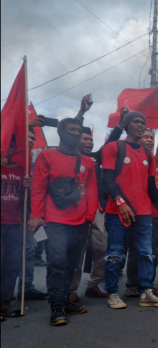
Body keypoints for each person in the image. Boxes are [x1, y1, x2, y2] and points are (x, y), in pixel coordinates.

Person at [28, 118, 99, 326]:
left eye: (78, 130)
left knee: (72, 264)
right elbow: (38, 187)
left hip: (80, 221)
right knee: (57, 263)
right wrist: (36, 214)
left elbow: (93, 189)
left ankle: (66, 301)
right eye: (72, 130)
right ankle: (57, 307)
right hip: (55, 220)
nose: (76, 133)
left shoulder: (87, 161)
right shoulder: (46, 156)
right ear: (61, 133)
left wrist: (90, 215)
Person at [101, 111, 158, 309]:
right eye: (136, 122)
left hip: (144, 213)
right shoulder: (114, 147)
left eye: (143, 122)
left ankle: (146, 292)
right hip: (118, 212)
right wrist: (120, 202)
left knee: (146, 253)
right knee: (115, 252)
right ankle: (112, 293)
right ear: (126, 125)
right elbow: (107, 179)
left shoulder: (148, 153)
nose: (140, 125)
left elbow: (151, 184)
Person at [124, 129, 158, 296]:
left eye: (152, 137)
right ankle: (132, 284)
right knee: (136, 250)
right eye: (146, 137)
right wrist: (157, 156)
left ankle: (148, 284)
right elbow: (145, 178)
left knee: (156, 251)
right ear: (138, 138)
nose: (150, 140)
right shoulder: (136, 159)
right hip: (140, 212)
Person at [68, 126, 109, 301]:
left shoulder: (95, 158)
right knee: (78, 250)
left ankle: (93, 285)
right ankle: (71, 289)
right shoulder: (69, 157)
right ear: (75, 140)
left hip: (97, 207)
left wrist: (121, 123)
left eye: (91, 140)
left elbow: (111, 141)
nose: (89, 142)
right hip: (76, 208)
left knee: (101, 247)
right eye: (85, 139)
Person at [1, 136, 33, 320]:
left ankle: (5, 302)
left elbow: (25, 200)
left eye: (12, 145)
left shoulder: (22, 170)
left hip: (14, 222)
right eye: (5, 145)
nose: (8, 149)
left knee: (11, 264)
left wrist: (29, 187)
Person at [17, 128, 49, 301]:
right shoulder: (7, 160)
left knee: (30, 249)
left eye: (33, 137)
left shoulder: (37, 163)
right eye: (27, 136)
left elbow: (41, 188)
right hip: (8, 212)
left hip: (28, 212)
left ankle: (26, 287)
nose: (30, 140)